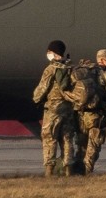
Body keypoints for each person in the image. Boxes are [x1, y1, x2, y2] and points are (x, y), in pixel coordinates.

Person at [74, 48, 106, 175]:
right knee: (93, 145)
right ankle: (87, 171)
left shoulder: (86, 72)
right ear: (102, 60)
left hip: (82, 114)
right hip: (97, 115)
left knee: (81, 144)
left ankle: (76, 170)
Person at [32, 40, 76, 176]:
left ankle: (49, 171)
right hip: (68, 109)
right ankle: (68, 169)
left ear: (54, 53)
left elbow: (42, 88)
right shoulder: (70, 68)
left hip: (53, 110)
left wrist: (36, 99)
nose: (48, 54)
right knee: (67, 139)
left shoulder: (51, 68)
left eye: (49, 51)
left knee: (49, 138)